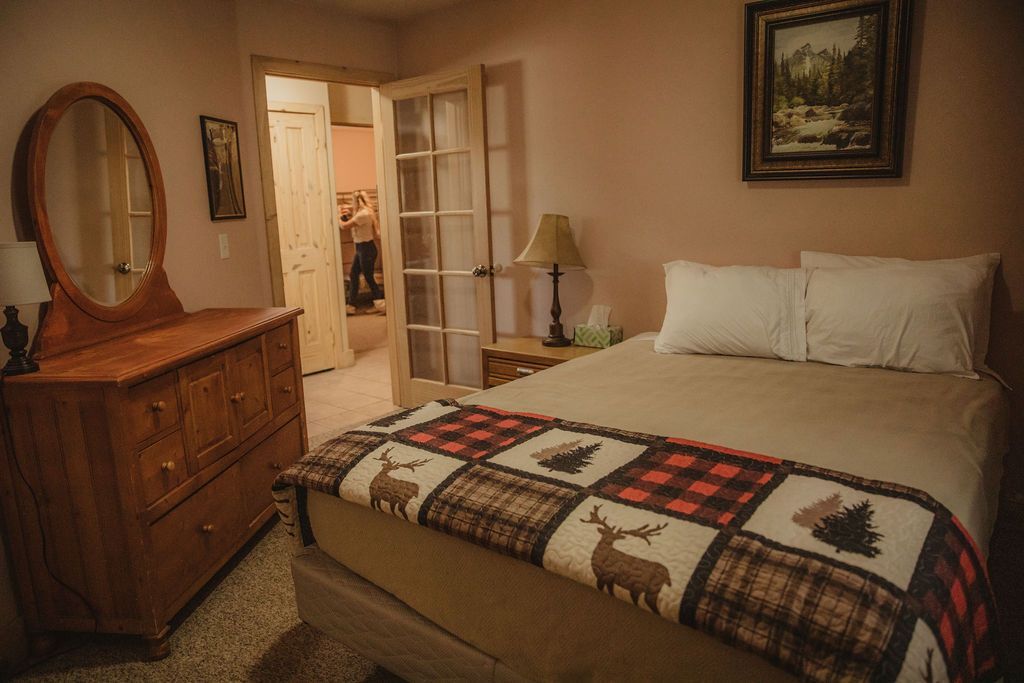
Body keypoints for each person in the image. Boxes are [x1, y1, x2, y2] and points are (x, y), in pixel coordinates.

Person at [340, 190, 384, 315]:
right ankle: (351, 305)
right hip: (362, 249)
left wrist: (338, 216)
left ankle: (380, 304)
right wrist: (348, 215)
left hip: (366, 249)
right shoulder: (362, 213)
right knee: (354, 275)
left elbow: (344, 226)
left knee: (369, 277)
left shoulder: (363, 214)